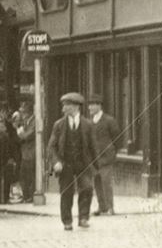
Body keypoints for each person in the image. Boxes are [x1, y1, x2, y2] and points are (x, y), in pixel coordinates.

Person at [47, 92, 97, 231]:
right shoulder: (59, 125)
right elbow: (51, 147)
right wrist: (56, 162)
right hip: (65, 164)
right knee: (66, 192)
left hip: (83, 163)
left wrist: (95, 167)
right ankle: (67, 221)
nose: (63, 108)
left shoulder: (88, 125)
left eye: (66, 105)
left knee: (87, 189)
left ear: (75, 107)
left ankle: (83, 218)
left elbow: (93, 147)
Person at [87, 95, 122, 216]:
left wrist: (111, 151)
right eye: (89, 105)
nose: (89, 107)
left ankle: (110, 207)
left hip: (106, 157)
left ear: (99, 105)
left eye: (92, 104)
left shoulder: (109, 120)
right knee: (97, 182)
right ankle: (102, 206)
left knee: (106, 182)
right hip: (94, 158)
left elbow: (117, 139)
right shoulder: (90, 122)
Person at [16, 100, 36, 203]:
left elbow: (27, 136)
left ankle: (31, 196)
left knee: (30, 175)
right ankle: (26, 195)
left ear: (28, 112)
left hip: (31, 152)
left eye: (23, 112)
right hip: (25, 152)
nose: (22, 114)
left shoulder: (34, 121)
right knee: (23, 175)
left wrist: (20, 133)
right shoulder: (25, 121)